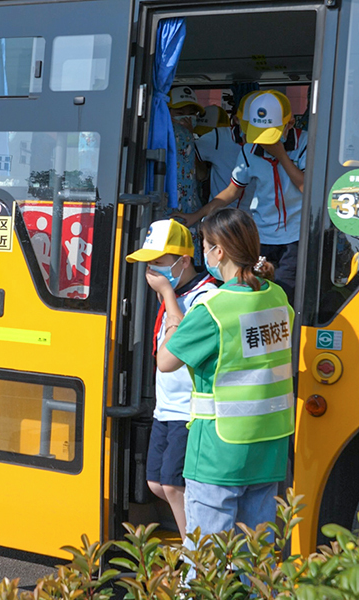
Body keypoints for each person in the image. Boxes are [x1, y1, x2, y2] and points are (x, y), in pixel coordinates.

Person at [155, 208, 293, 552]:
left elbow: (165, 360)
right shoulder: (277, 297)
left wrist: (172, 306)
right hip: (268, 447)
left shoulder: (214, 308)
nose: (204, 253)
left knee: (206, 563)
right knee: (254, 560)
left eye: (205, 245)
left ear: (219, 251)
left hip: (218, 452)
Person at [126, 219, 218, 540]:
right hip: (165, 408)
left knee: (173, 484)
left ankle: (198, 556)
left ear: (183, 262)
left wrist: (167, 293)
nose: (152, 271)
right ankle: (199, 543)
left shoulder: (204, 296)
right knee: (155, 483)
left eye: (159, 262)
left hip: (188, 410)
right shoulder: (177, 294)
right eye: (148, 262)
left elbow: (174, 347)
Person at [179, 90, 307, 305]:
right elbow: (232, 190)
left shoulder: (306, 144)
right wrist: (196, 216)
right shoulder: (249, 150)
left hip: (295, 236)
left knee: (286, 296)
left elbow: (307, 187)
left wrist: (282, 156)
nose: (264, 142)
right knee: (254, 295)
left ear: (290, 124)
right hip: (261, 236)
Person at [193, 99, 256, 213]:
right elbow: (189, 154)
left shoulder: (272, 145)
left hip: (254, 218)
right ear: (236, 119)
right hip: (220, 215)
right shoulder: (218, 137)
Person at [168, 86, 205, 265]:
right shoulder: (162, 136)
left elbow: (201, 174)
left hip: (190, 209)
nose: (186, 117)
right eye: (180, 112)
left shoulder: (192, 139)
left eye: (191, 112)